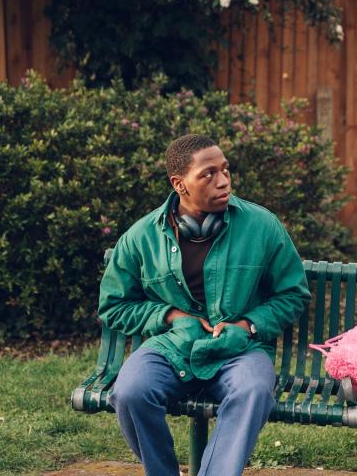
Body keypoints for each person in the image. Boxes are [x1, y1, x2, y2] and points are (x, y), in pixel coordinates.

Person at [98, 134, 311, 476]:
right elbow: (115, 306)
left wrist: (248, 325)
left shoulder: (263, 226)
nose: (223, 180)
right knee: (130, 391)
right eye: (208, 174)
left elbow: (293, 294)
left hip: (240, 350)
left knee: (253, 390)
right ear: (179, 184)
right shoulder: (140, 237)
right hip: (172, 348)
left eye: (225, 170)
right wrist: (169, 315)